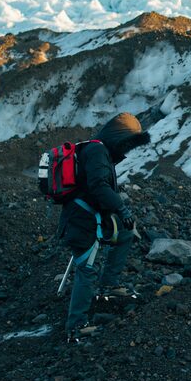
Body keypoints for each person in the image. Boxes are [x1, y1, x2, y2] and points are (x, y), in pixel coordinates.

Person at [59, 113, 150, 343]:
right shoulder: (97, 152)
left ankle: (109, 285)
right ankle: (76, 326)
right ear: (118, 139)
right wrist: (122, 209)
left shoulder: (98, 150)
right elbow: (98, 186)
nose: (126, 151)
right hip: (81, 220)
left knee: (125, 233)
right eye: (126, 144)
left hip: (89, 216)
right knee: (86, 269)